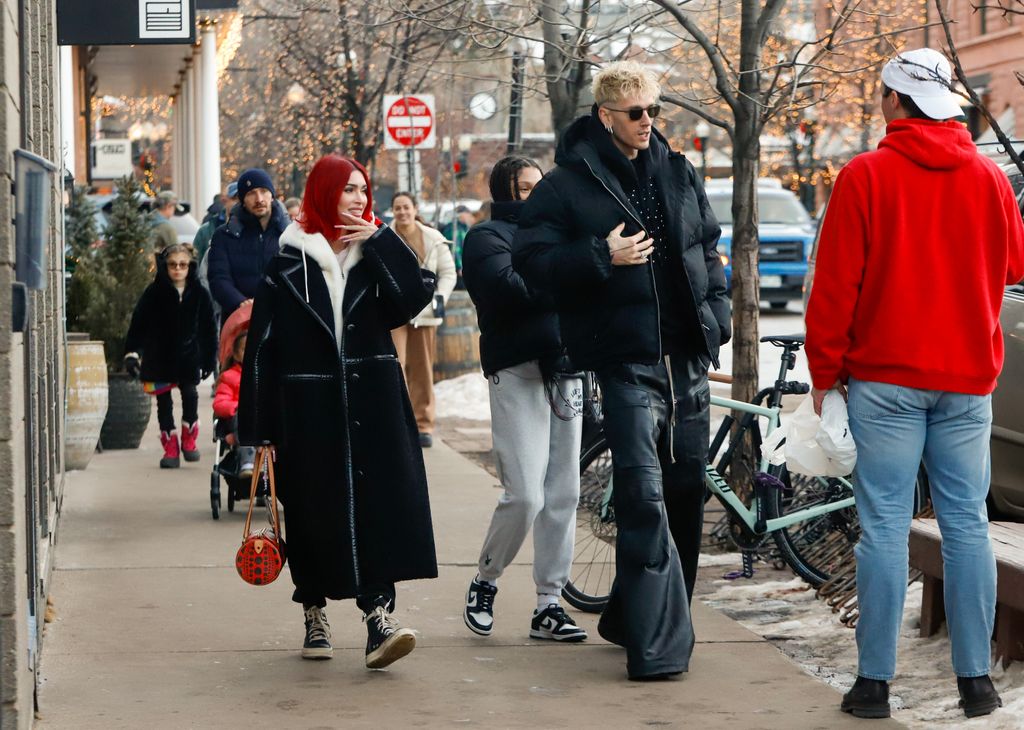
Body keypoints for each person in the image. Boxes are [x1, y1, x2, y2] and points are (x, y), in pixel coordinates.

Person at [805, 48, 1024, 721]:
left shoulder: (865, 177)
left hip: (887, 382)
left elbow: (836, 287)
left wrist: (823, 373)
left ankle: (874, 684)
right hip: (965, 382)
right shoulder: (988, 179)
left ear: (896, 103)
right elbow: (1012, 258)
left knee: (884, 528)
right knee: (966, 525)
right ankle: (975, 684)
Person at [511, 60, 730, 680]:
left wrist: (718, 314)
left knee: (686, 492)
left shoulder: (678, 170)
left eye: (654, 110)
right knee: (642, 495)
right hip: (625, 359)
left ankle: (640, 616)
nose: (648, 122)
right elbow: (529, 260)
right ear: (605, 116)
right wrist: (597, 255)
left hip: (685, 356)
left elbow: (708, 247)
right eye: (636, 113)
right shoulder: (567, 183)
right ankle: (657, 648)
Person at [238, 155, 439, 670]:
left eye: (362, 190)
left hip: (373, 403)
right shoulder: (287, 263)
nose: (357, 198)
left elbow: (413, 300)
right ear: (324, 192)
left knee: (377, 508)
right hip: (307, 410)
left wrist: (380, 241)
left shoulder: (373, 253)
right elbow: (261, 348)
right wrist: (260, 429)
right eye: (347, 189)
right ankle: (313, 610)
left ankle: (378, 619)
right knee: (312, 512)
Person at [461, 155, 587, 642]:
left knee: (565, 494)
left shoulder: (560, 234)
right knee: (526, 494)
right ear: (506, 192)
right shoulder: (487, 239)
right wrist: (574, 275)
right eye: (528, 187)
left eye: (543, 185)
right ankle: (486, 579)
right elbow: (510, 291)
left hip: (566, 370)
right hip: (516, 370)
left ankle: (548, 604)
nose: (540, 194)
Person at [124, 243, 218, 469]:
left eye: (182, 265)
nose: (177, 269)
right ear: (165, 267)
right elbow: (139, 323)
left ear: (190, 266)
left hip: (188, 357)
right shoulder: (154, 292)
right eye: (172, 265)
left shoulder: (199, 293)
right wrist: (132, 352)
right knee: (163, 402)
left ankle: (189, 437)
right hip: (159, 357)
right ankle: (170, 446)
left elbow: (208, 328)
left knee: (190, 394)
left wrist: (208, 358)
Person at [389, 192, 457, 448]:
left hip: (424, 313)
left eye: (406, 207)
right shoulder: (386, 237)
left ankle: (423, 424)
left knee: (422, 370)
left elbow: (448, 272)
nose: (402, 212)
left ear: (415, 209)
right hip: (395, 312)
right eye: (398, 208)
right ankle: (397, 423)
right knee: (395, 367)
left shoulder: (433, 239)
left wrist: (440, 298)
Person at [207, 169, 290, 320]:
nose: (259, 199)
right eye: (251, 193)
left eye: (264, 191)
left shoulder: (289, 234)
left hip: (281, 318)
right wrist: (241, 303)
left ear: (272, 195)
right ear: (242, 199)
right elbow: (218, 278)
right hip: (240, 321)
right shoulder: (224, 235)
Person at [213, 327, 255, 479]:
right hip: (238, 421)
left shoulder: (263, 377)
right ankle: (247, 462)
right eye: (245, 349)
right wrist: (237, 407)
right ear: (236, 354)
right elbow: (219, 404)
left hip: (260, 422)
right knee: (244, 415)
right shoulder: (229, 377)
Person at [194, 182, 237, 267]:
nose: (240, 202)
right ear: (225, 200)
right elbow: (196, 263)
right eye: (235, 198)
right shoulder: (206, 230)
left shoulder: (254, 229)